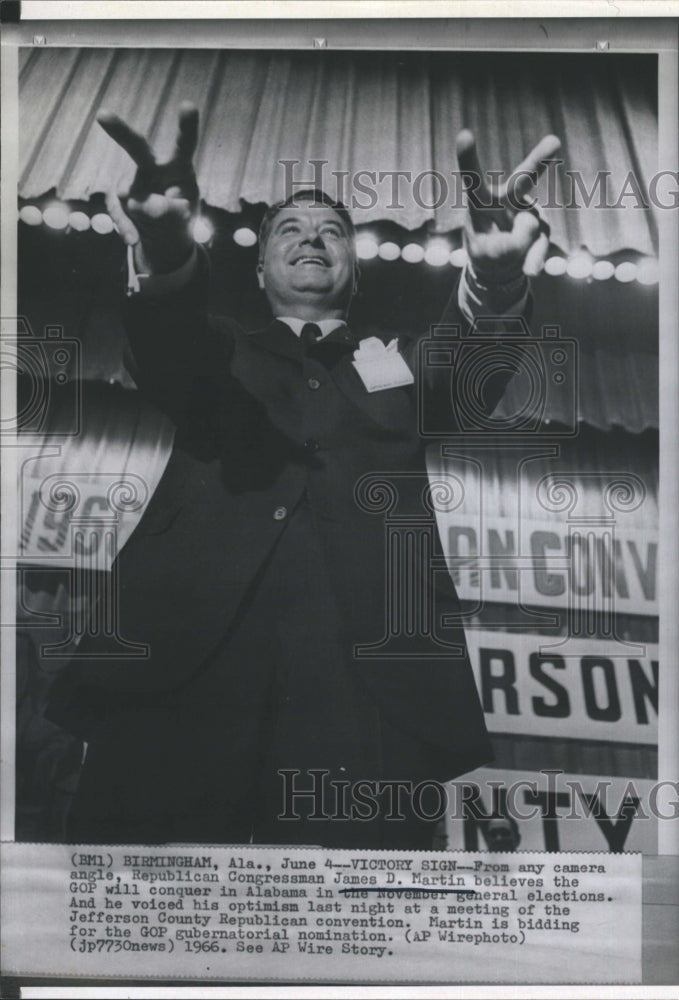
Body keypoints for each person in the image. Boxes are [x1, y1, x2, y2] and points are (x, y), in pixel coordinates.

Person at [47, 103, 559, 848]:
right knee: (139, 907)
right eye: (290, 228)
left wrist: (493, 282)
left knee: (367, 928)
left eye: (331, 232)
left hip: (369, 683)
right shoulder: (217, 350)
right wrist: (164, 254)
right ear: (258, 270)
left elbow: (464, 371)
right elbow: (167, 343)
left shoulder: (399, 364)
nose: (312, 239)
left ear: (353, 266)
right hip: (187, 662)